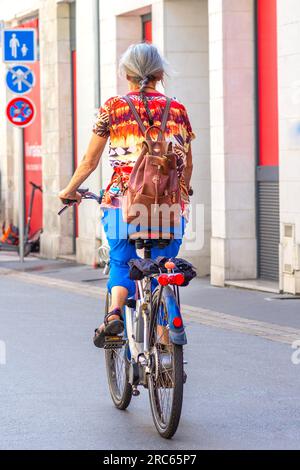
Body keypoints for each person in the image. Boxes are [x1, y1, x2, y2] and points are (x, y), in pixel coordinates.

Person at [58, 43, 194, 347]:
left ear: (127, 74)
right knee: (163, 267)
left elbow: (89, 162)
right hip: (168, 207)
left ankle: (115, 315)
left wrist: (69, 191)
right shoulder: (178, 110)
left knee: (121, 262)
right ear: (160, 74)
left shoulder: (113, 108)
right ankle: (164, 346)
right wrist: (181, 197)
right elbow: (186, 164)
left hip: (122, 203)